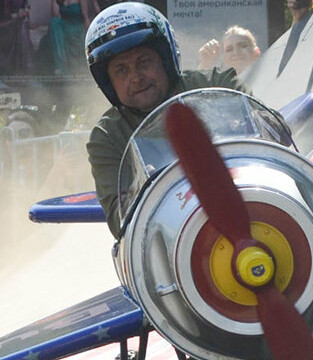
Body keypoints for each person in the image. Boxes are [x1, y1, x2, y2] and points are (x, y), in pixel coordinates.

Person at [83, 2, 247, 238]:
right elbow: (121, 223)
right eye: (121, 71)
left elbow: (274, 138)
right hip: (171, 240)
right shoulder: (107, 136)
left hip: (250, 201)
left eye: (144, 62)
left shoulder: (219, 85)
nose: (136, 77)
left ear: (166, 59)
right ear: (108, 83)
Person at [34, 0, 98, 75]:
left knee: (57, 26)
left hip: (76, 27)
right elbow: (55, 15)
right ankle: (59, 66)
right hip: (64, 26)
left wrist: (90, 35)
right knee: (54, 22)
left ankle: (65, 67)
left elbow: (85, 17)